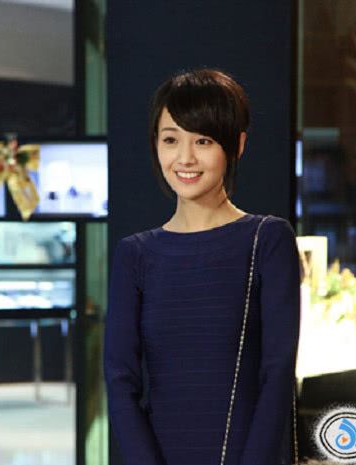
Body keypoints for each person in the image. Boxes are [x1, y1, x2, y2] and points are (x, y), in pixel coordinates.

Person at [103, 68, 301, 465]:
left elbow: (277, 374)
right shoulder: (135, 254)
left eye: (203, 140)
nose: (185, 158)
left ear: (237, 144)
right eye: (171, 139)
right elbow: (120, 381)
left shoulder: (268, 240)